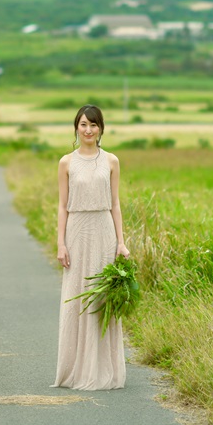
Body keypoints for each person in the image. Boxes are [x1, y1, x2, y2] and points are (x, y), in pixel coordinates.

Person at [53, 104, 130, 390]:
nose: (88, 130)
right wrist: (60, 243)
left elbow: (115, 203)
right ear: (76, 127)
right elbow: (62, 205)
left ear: (101, 129)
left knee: (101, 299)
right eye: (83, 124)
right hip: (77, 230)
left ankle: (101, 369)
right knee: (77, 295)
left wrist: (121, 242)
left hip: (103, 231)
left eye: (93, 125)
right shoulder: (66, 162)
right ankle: (75, 369)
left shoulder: (111, 160)